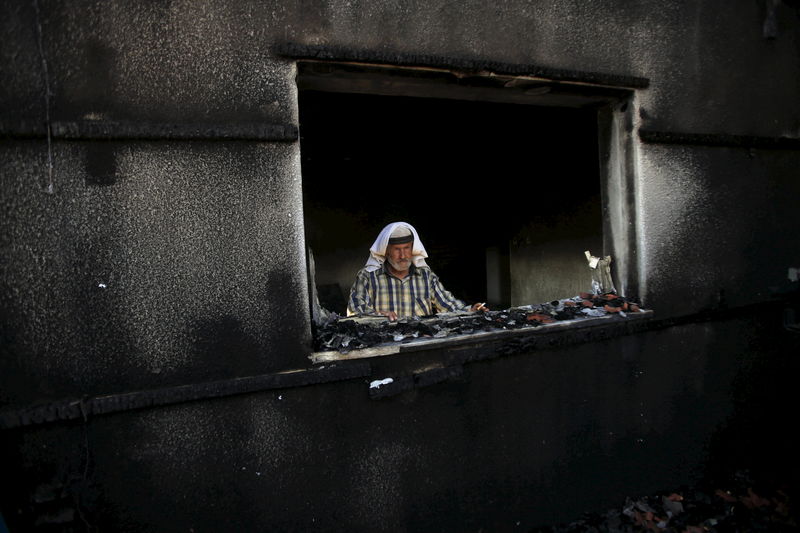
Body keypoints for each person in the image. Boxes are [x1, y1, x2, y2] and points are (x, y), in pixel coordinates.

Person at [347, 222, 488, 320]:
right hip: (385, 344)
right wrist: (377, 315)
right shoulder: (368, 277)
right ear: (386, 251)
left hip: (421, 341)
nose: (403, 256)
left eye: (407, 248)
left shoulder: (426, 276)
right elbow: (355, 311)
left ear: (413, 248)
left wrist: (470, 311)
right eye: (397, 249)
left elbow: (447, 304)